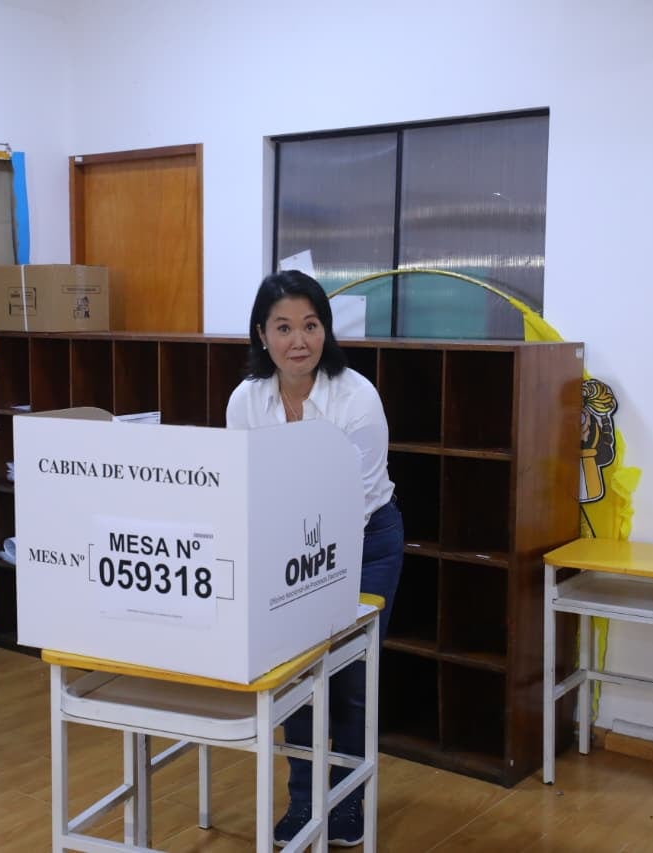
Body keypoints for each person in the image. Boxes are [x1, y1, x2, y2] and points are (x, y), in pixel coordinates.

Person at [227, 270, 404, 848]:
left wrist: (301, 567)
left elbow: (352, 501)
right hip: (285, 551)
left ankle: (347, 801)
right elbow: (244, 487)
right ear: (262, 334)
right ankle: (304, 797)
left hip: (365, 543)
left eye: (310, 325)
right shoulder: (246, 401)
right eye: (283, 327)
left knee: (350, 677)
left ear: (325, 330)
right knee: (295, 675)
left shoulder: (356, 396)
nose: (298, 340)